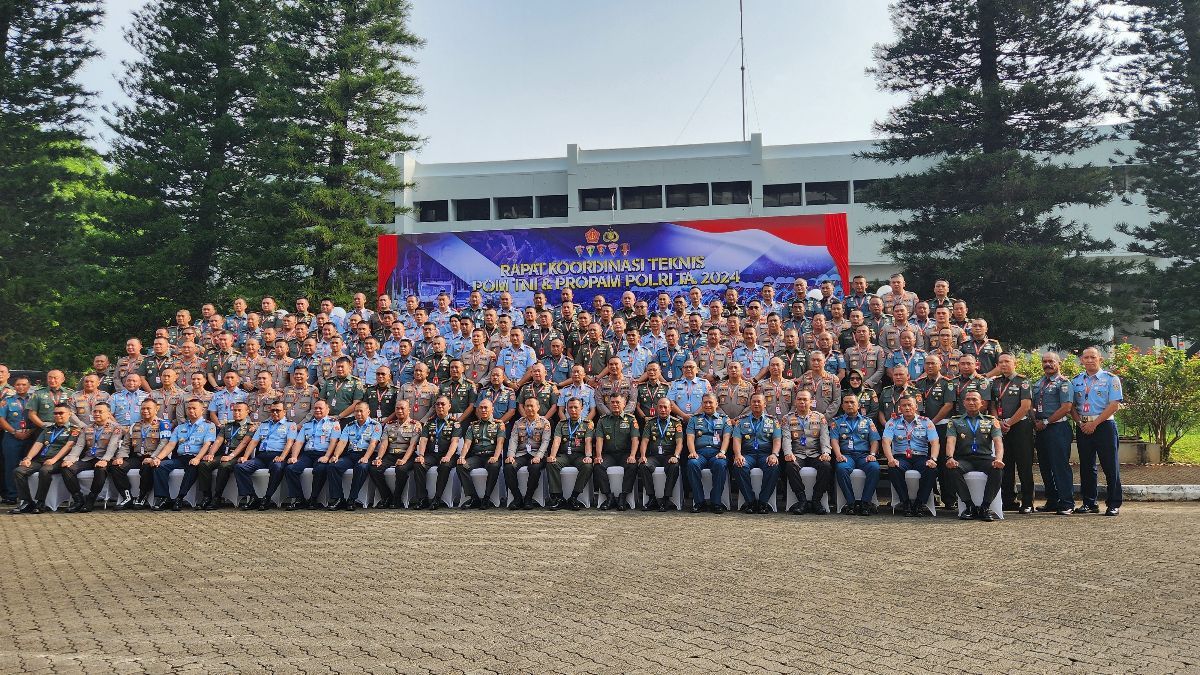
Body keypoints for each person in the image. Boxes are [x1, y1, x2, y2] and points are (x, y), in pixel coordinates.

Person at [1072, 347, 1123, 516]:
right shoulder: (1077, 380)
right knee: (1086, 466)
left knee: (1110, 466)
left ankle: (1113, 503)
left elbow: (1114, 404)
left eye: (1093, 357)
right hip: (1083, 426)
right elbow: (1071, 406)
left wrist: (1095, 423)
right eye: (1085, 357)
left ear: (1100, 359)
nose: (1089, 360)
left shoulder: (1110, 379)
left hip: (1104, 426)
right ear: (1081, 360)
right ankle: (1089, 502)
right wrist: (1080, 423)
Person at [9, 403, 79, 514]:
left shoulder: (74, 430)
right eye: (55, 413)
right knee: (19, 471)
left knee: (44, 470)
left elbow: (68, 446)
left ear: (69, 414)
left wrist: (54, 459)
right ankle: (27, 502)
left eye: (61, 413)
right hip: (41, 459)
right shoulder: (48, 429)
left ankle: (41, 502)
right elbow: (38, 444)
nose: (57, 415)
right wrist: (28, 458)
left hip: (58, 460)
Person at [149, 399, 217, 511]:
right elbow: (170, 445)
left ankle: (180, 498)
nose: (191, 410)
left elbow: (207, 444)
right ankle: (164, 498)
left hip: (195, 457)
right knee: (160, 466)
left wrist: (198, 458)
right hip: (180, 458)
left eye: (194, 408)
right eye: (189, 408)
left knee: (193, 467)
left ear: (202, 410)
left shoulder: (209, 425)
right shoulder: (180, 427)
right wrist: (158, 458)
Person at [946, 391, 1005, 522]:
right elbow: (951, 441)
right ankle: (969, 506)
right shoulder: (955, 421)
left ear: (982, 403)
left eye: (974, 399)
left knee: (997, 469)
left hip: (984, 458)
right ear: (963, 403)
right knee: (953, 469)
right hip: (964, 459)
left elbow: (998, 442)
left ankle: (985, 507)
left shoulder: (991, 421)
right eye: (968, 399)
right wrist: (950, 458)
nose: (971, 402)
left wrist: (999, 459)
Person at [881, 396, 940, 517]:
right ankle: (905, 502)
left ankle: (920, 503)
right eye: (904, 405)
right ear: (899, 408)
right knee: (893, 468)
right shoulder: (892, 422)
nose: (907, 408)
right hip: (901, 457)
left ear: (916, 407)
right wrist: (890, 459)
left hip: (920, 457)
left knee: (931, 469)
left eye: (910, 405)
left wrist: (933, 459)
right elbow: (886, 442)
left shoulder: (926, 422)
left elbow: (935, 442)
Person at [1032, 352, 1076, 515]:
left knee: (1059, 466)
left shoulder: (1063, 383)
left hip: (1057, 428)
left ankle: (1067, 503)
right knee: (1045, 467)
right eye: (1045, 361)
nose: (1047, 364)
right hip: (1042, 429)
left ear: (1059, 363)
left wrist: (1045, 422)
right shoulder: (1039, 383)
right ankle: (1052, 500)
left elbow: (1066, 407)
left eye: (1051, 361)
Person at [990, 353, 1034, 513]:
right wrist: (997, 421)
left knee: (1024, 465)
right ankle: (1008, 500)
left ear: (1014, 363)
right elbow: (992, 405)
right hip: (1000, 426)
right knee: (1004, 464)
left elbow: (1025, 407)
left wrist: (1008, 423)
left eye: (1007, 361)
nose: (1003, 365)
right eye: (1000, 362)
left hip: (1019, 427)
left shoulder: (1023, 381)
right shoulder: (995, 383)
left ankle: (1027, 502)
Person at [282, 400, 341, 510]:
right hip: (307, 454)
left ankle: (313, 499)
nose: (317, 410)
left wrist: (327, 456)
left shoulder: (334, 423)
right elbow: (299, 442)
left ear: (327, 410)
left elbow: (334, 441)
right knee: (290, 468)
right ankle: (298, 499)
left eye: (320, 408)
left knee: (320, 469)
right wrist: (294, 457)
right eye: (316, 408)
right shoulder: (307, 424)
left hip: (323, 453)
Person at [233, 401, 293, 510]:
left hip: (277, 456)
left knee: (277, 467)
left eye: (278, 410)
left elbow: (289, 443)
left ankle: (267, 497)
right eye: (272, 410)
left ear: (284, 411)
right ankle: (252, 497)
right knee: (240, 467)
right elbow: (254, 442)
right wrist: (245, 457)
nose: (274, 412)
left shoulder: (290, 425)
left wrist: (282, 457)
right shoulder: (264, 424)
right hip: (262, 456)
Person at [781, 390, 832, 515]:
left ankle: (816, 500)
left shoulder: (820, 417)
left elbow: (824, 436)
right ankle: (802, 500)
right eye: (799, 399)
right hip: (797, 453)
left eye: (805, 399)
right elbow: (786, 438)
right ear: (795, 401)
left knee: (826, 466)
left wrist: (826, 452)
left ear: (811, 402)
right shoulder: (787, 418)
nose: (802, 402)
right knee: (789, 466)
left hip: (815, 453)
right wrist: (788, 453)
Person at [324, 401, 383, 510]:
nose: (358, 414)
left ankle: (352, 498)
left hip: (366, 454)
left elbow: (373, 443)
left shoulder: (376, 425)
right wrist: (336, 455)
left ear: (368, 412)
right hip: (351, 454)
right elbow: (342, 442)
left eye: (361, 411)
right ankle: (338, 498)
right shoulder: (349, 425)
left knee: (361, 467)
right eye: (356, 411)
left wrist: (365, 457)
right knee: (333, 466)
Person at [196, 401, 253, 510]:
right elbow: (218, 441)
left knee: (224, 466)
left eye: (239, 410)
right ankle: (206, 496)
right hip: (224, 454)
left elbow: (244, 443)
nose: (236, 413)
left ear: (247, 412)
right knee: (204, 464)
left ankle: (217, 497)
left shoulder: (250, 427)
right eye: (234, 410)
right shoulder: (227, 425)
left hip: (238, 456)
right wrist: (211, 454)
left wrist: (231, 456)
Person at [831, 393, 882, 516]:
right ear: (842, 406)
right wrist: (838, 455)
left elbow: (875, 440)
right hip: (846, 455)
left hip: (864, 455)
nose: (849, 405)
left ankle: (865, 502)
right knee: (841, 468)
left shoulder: (868, 421)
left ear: (858, 405)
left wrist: (873, 454)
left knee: (875, 468)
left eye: (852, 402)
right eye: (846, 402)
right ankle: (851, 503)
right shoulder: (836, 422)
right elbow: (834, 440)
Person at [730, 393, 782, 514]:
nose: (756, 404)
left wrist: (774, 454)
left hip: (766, 453)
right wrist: (738, 455)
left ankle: (763, 502)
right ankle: (750, 502)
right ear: (750, 404)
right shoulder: (741, 421)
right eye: (754, 401)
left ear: (765, 404)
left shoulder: (773, 421)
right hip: (748, 454)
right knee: (739, 466)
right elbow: (737, 439)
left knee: (774, 467)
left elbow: (777, 440)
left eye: (759, 401)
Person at [114, 400, 168, 509]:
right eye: (143, 408)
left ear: (156, 409)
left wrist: (153, 457)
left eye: (148, 408)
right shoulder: (135, 425)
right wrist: (120, 457)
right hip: (137, 456)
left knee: (148, 467)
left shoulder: (163, 424)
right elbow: (125, 444)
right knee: (116, 466)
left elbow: (164, 443)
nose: (145, 411)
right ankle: (127, 497)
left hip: (155, 456)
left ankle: (142, 496)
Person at [591, 394, 639, 511]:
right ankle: (608, 497)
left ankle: (623, 497)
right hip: (609, 454)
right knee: (598, 465)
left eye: (618, 402)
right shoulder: (603, 420)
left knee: (632, 465)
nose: (615, 404)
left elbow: (635, 439)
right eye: (612, 402)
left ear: (624, 404)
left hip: (625, 454)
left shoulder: (631, 419)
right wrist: (598, 456)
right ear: (609, 404)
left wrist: (632, 455)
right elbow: (599, 439)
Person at [455, 398, 505, 509]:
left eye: (486, 407)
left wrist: (496, 457)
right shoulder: (473, 425)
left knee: (494, 466)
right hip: (477, 456)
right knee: (460, 465)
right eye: (481, 408)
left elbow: (500, 443)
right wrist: (462, 457)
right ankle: (474, 498)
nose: (483, 410)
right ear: (477, 410)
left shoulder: (498, 425)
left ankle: (487, 498)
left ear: (492, 409)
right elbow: (467, 444)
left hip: (491, 455)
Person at [684, 393, 730, 513]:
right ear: (702, 404)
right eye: (705, 402)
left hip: (717, 453)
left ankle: (716, 502)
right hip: (700, 453)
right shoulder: (694, 419)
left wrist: (722, 452)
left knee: (720, 464)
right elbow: (690, 438)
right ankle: (699, 502)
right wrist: (692, 452)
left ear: (716, 404)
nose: (708, 405)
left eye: (710, 402)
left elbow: (726, 437)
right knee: (692, 464)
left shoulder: (724, 419)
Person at [546, 398, 594, 510]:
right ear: (566, 409)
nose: (573, 410)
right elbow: (557, 440)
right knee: (552, 464)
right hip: (565, 455)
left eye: (576, 407)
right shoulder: (561, 424)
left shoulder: (588, 424)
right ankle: (558, 498)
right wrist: (552, 455)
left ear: (582, 408)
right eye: (570, 407)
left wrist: (588, 456)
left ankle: (574, 497)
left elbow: (588, 441)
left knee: (587, 466)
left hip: (579, 455)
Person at [504, 398, 553, 510]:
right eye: (527, 406)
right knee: (508, 467)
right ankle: (517, 498)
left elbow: (546, 441)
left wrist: (538, 456)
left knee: (534, 468)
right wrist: (510, 455)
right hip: (521, 454)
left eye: (532, 405)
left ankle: (528, 498)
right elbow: (513, 440)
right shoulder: (518, 422)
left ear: (538, 407)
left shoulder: (545, 422)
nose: (529, 408)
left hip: (537, 454)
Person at [638, 397, 684, 511]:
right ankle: (652, 498)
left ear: (670, 408)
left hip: (669, 456)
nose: (662, 409)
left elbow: (679, 443)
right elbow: (644, 441)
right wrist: (643, 456)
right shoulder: (650, 422)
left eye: (665, 407)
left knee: (674, 466)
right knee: (643, 465)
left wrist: (676, 456)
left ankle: (666, 499)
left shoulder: (676, 423)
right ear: (657, 408)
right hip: (654, 456)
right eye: (660, 407)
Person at [415, 397, 461, 510]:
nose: (440, 406)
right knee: (418, 464)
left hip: (447, 455)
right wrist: (421, 455)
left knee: (444, 466)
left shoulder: (455, 423)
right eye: (437, 404)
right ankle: (422, 498)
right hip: (431, 455)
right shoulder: (429, 423)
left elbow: (455, 442)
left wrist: (448, 456)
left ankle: (437, 498)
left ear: (449, 406)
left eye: (443, 404)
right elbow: (423, 440)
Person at [1, 376, 35, 504]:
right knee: (11, 466)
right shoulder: (7, 401)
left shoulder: (34, 400)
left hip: (31, 437)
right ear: (14, 386)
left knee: (28, 465)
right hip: (11, 437)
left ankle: (28, 495)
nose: (21, 387)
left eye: (24, 384)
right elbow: (1, 419)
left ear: (29, 386)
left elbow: (38, 417)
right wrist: (14, 432)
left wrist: (30, 432)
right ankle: (12, 495)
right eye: (18, 385)